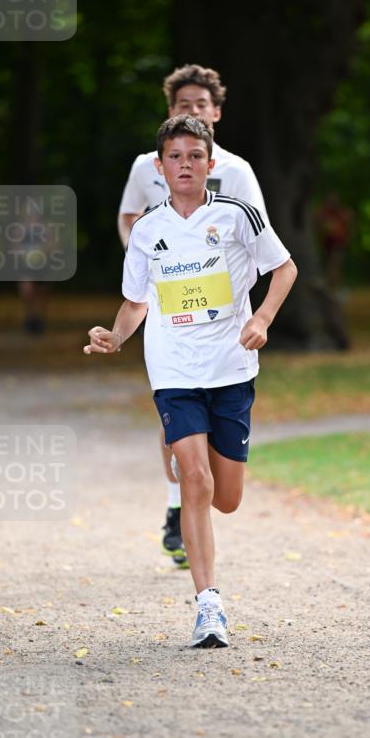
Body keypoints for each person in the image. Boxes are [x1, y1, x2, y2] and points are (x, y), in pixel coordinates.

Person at [86, 115, 297, 648]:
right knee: (194, 480)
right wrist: (115, 336)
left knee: (226, 497)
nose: (184, 164)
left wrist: (262, 319)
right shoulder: (148, 229)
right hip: (173, 369)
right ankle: (209, 606)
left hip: (230, 368)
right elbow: (136, 302)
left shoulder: (237, 216)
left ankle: (208, 576)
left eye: (194, 156)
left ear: (210, 164)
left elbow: (285, 268)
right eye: (174, 157)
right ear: (160, 168)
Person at [118, 64, 268, 569]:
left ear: (217, 112)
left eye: (201, 105)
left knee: (226, 496)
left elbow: (261, 240)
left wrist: (256, 313)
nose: (192, 111)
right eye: (183, 104)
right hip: (169, 328)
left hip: (227, 335)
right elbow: (130, 218)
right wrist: (151, 263)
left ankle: (195, 487)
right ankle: (179, 502)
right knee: (183, 444)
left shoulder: (238, 174)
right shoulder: (147, 166)